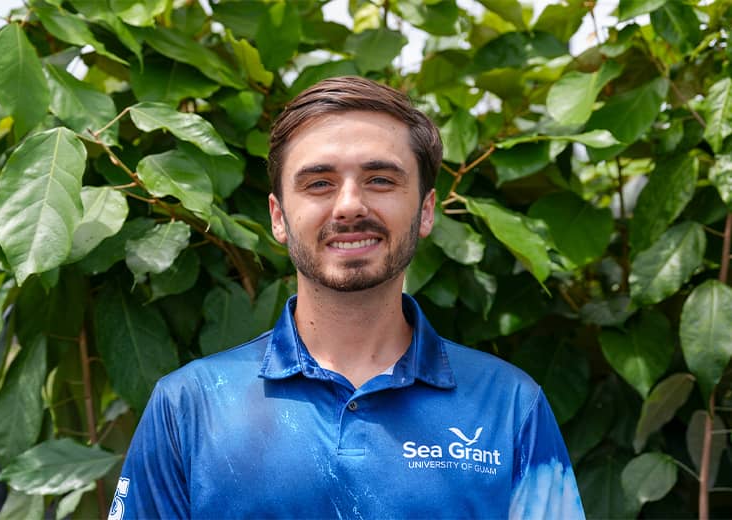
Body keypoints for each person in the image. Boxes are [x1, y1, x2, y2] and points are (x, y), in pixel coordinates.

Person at [109, 76, 585, 519]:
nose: (350, 205)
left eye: (381, 180)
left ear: (424, 211)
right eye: (319, 183)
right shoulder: (189, 406)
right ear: (278, 217)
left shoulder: (509, 405)